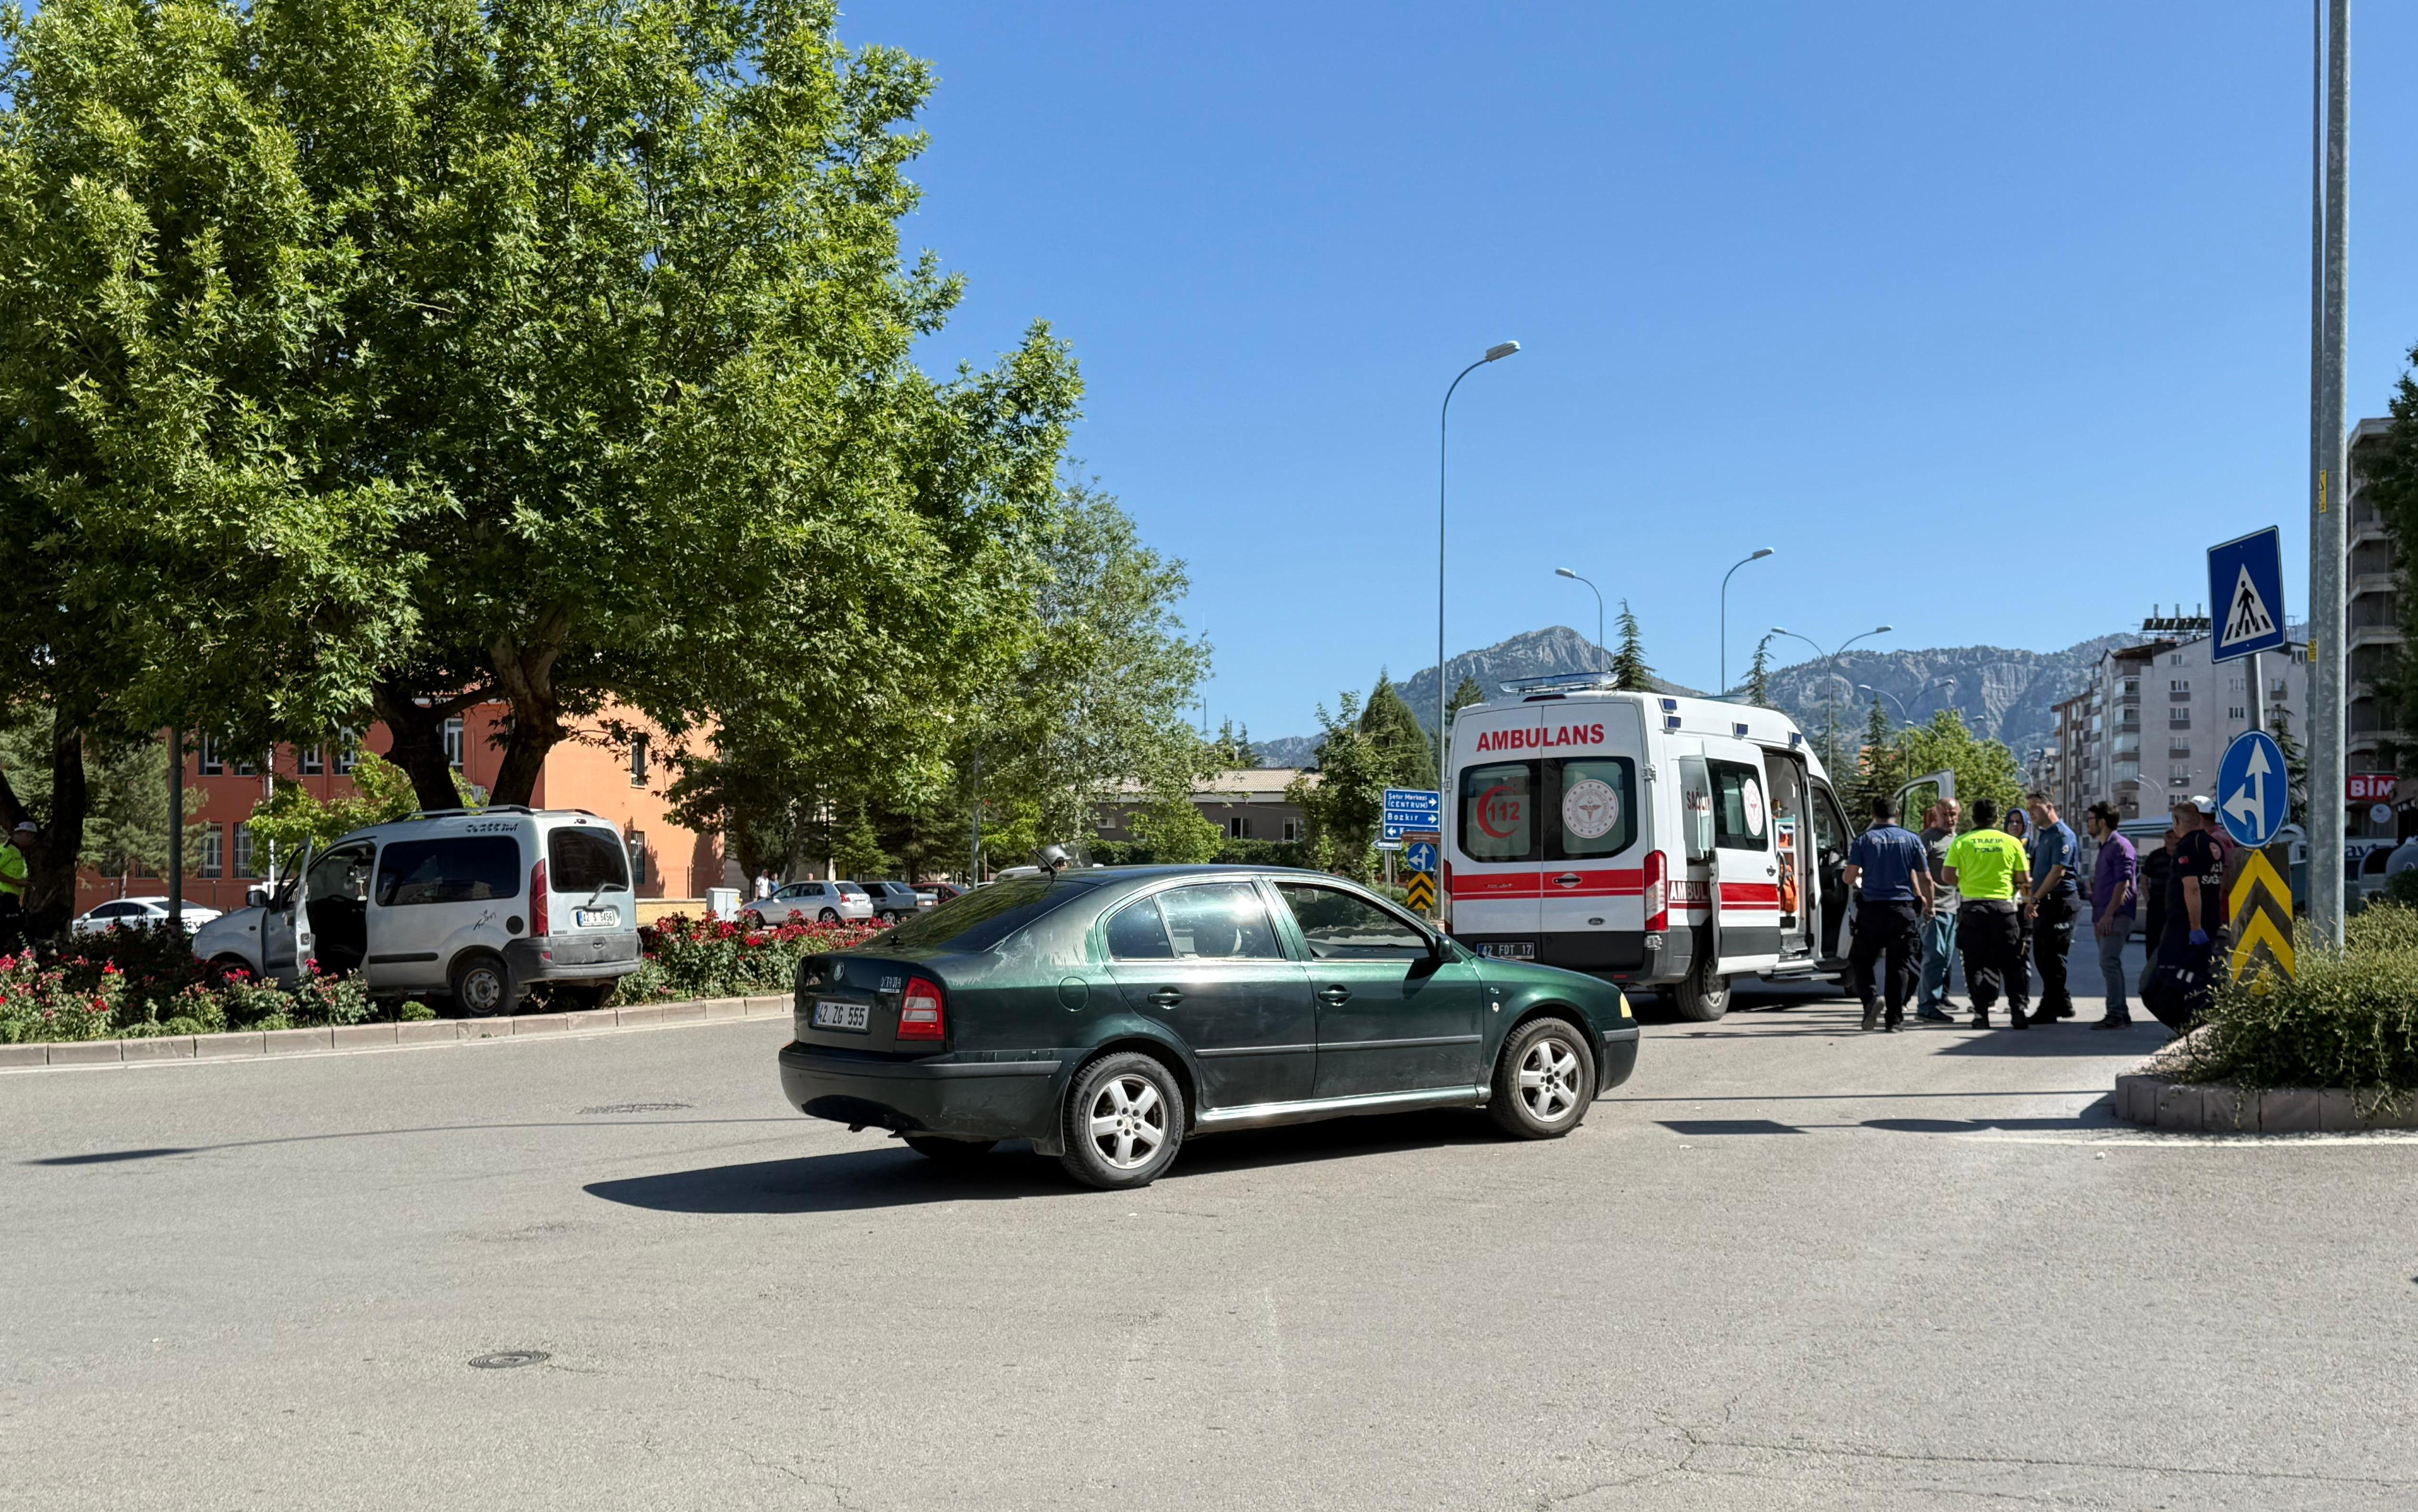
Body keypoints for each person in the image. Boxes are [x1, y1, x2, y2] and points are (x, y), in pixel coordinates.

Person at [1843, 797, 1936, 1032]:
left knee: (1861, 961)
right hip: (1902, 912)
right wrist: (1930, 905)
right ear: (1897, 812)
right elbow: (1925, 879)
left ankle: (1871, 1000)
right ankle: (1894, 1020)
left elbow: (1849, 877)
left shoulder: (1863, 841)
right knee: (1899, 967)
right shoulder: (1912, 839)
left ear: (1873, 813)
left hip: (1872, 911)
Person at [1944, 797, 2031, 1029]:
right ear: (1997, 818)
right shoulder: (2012, 843)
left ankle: (1981, 1015)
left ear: (1973, 817)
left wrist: (1964, 884)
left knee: (1975, 964)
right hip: (2004, 910)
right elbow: (2024, 879)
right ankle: (2018, 1012)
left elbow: (1947, 876)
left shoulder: (1962, 842)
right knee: (2012, 964)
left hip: (1972, 909)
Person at [2141, 796, 2224, 1035]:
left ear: (2178, 822)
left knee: (2167, 973)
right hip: (2207, 922)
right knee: (2188, 975)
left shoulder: (2187, 847)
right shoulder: (2213, 844)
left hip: (2186, 926)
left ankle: (2207, 998)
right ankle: (2192, 1025)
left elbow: (2193, 887)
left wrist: (2195, 927)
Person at [2023, 792, 2082, 1023]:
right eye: (2029, 809)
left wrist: (2036, 898)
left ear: (2050, 807)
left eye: (2035, 808)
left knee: (2054, 957)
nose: (2032, 813)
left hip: (2061, 902)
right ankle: (2062, 1001)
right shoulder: (2044, 836)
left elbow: (2058, 872)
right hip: (2046, 903)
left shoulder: (2061, 835)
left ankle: (2050, 1007)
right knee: (2042, 955)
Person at [2083, 801, 2137, 1029]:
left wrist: (2108, 916)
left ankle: (2115, 1014)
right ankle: (2121, 1012)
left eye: (2091, 820)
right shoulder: (2107, 846)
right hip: (2104, 915)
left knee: (2109, 962)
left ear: (2102, 823)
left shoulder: (2119, 846)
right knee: (2110, 963)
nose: (2088, 824)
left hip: (2115, 917)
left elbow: (2123, 883)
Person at [1915, 798, 1963, 1022]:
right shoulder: (1928, 840)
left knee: (1944, 959)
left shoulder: (1958, 840)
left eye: (1954, 814)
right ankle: (1926, 1007)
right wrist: (1925, 899)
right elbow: (1915, 872)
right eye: (1946, 814)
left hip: (1953, 907)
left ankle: (1936, 1001)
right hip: (1934, 909)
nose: (1950, 819)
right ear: (1936, 815)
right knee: (1934, 958)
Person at [2001, 806, 2034, 1021]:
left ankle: (2021, 999)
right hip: (2004, 907)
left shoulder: (2031, 847)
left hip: (2024, 907)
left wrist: (2029, 900)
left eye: (2019, 822)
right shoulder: (2002, 845)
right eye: (2011, 822)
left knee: (2021, 955)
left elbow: (2030, 879)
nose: (2015, 825)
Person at [2139, 827, 2174, 970]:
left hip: (2175, 905)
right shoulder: (2155, 856)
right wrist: (2148, 900)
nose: (2172, 840)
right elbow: (2144, 878)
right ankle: (2152, 970)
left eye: (2174, 837)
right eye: (2169, 837)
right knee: (2153, 940)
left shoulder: (2183, 855)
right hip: (2157, 904)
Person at [0, 821, 29, 951]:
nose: (32, 840)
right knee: (19, 927)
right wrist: (17, 882)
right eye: (30, 836)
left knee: (10, 931)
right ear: (21, 834)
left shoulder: (20, 852)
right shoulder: (7, 850)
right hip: (3, 897)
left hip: (12, 897)